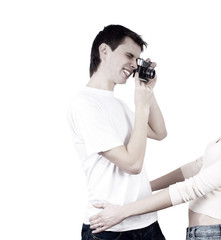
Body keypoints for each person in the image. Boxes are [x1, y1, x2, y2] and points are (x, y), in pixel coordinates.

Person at [88, 56, 221, 240]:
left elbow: (194, 187)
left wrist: (123, 211)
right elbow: (196, 167)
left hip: (215, 235)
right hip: (207, 234)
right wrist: (143, 188)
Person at [67, 25, 167, 240]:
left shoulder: (117, 104)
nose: (133, 65)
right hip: (111, 229)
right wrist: (141, 106)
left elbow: (159, 132)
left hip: (146, 221)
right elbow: (132, 164)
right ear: (104, 51)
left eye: (137, 59)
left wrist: (147, 91)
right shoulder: (85, 104)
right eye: (129, 55)